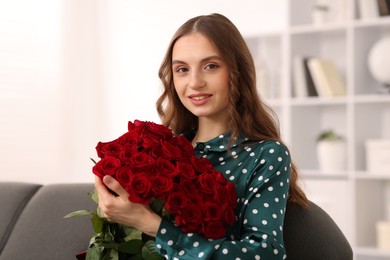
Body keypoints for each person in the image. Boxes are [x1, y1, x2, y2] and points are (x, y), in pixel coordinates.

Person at [95, 13, 308, 259]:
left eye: (210, 66)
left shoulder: (265, 155)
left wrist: (153, 226)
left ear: (238, 71)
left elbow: (265, 253)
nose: (195, 82)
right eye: (182, 69)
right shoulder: (162, 149)